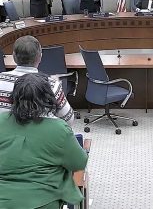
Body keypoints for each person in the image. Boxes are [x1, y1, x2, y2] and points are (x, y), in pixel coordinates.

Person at [0, 73, 88, 209]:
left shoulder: (1, 121)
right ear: (47, 97)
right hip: (44, 201)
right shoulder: (59, 128)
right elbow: (79, 163)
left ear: (14, 97)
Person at [0, 35, 74, 125]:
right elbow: (68, 119)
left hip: (4, 135)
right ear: (40, 57)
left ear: (13, 56)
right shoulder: (51, 84)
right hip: (40, 137)